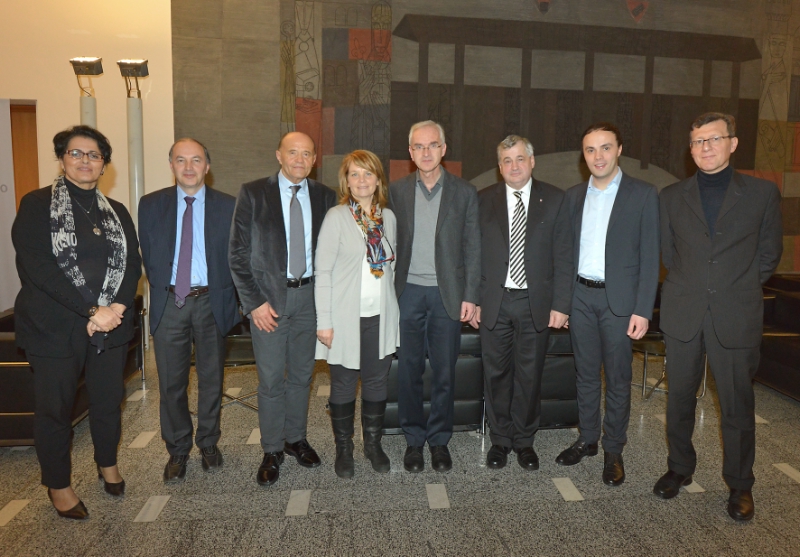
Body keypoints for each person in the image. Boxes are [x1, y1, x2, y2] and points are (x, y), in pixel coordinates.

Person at [654, 113, 783, 521]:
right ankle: (679, 467)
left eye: (713, 139)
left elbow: (769, 253)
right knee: (678, 400)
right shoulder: (671, 196)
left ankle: (740, 485)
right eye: (697, 141)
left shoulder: (762, 194)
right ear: (690, 149)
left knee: (737, 406)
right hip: (684, 312)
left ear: (733, 143)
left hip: (735, 312)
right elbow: (669, 253)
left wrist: (735, 286)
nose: (705, 147)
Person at [11, 125, 141, 519]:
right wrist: (91, 310)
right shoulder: (36, 205)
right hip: (54, 327)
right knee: (56, 409)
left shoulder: (116, 211)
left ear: (104, 164)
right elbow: (38, 267)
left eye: (94, 155)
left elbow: (131, 263)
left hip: (110, 325)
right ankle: (58, 484)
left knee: (108, 401)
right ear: (62, 158)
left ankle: (107, 464)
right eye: (76, 153)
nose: (85, 160)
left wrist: (116, 307)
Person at [229, 131, 336, 486]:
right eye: (293, 152)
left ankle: (295, 439)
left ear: (314, 159)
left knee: (303, 375)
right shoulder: (253, 193)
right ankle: (272, 448)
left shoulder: (325, 196)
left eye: (307, 154)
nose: (299, 160)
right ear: (279, 155)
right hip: (268, 302)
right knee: (272, 379)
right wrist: (253, 303)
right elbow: (237, 254)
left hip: (310, 298)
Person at [556, 123, 660, 486]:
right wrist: (563, 303)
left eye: (605, 148)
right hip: (580, 297)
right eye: (590, 149)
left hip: (620, 302)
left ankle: (614, 449)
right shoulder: (572, 197)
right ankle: (588, 439)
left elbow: (651, 257)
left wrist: (643, 309)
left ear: (619, 150)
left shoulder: (643, 194)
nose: (597, 156)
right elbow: (565, 255)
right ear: (583, 155)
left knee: (617, 378)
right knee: (585, 374)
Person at [138, 138, 239, 483]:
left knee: (211, 379)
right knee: (171, 383)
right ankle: (178, 448)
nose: (189, 167)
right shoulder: (151, 204)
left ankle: (208, 442)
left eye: (196, 160)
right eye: (181, 160)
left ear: (207, 166)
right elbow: (149, 254)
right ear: (171, 165)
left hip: (212, 301)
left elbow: (236, 257)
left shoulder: (228, 205)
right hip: (170, 302)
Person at [469, 135, 572, 471]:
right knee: (496, 375)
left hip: (535, 303)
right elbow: (472, 255)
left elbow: (564, 255)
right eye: (507, 160)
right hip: (494, 303)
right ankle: (500, 440)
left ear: (532, 161)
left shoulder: (555, 199)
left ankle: (525, 441)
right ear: (499, 167)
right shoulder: (483, 200)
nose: (514, 166)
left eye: (519, 159)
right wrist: (474, 299)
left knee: (530, 375)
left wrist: (562, 304)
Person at [389, 120, 480, 473]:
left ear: (443, 149)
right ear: (410, 152)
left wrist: (471, 295)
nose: (426, 152)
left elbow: (473, 247)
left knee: (445, 372)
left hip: (448, 296)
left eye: (432, 145)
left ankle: (439, 440)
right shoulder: (396, 191)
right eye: (419, 146)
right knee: (408, 370)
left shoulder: (465, 192)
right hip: (406, 293)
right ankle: (414, 440)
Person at [314, 150, 399, 479]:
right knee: (344, 384)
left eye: (368, 173)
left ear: (378, 180)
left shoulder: (388, 218)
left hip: (380, 316)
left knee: (377, 382)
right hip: (344, 319)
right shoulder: (336, 217)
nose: (362, 180)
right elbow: (323, 272)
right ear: (346, 182)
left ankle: (373, 445)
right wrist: (324, 322)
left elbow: (392, 269)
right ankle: (344, 448)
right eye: (355, 174)